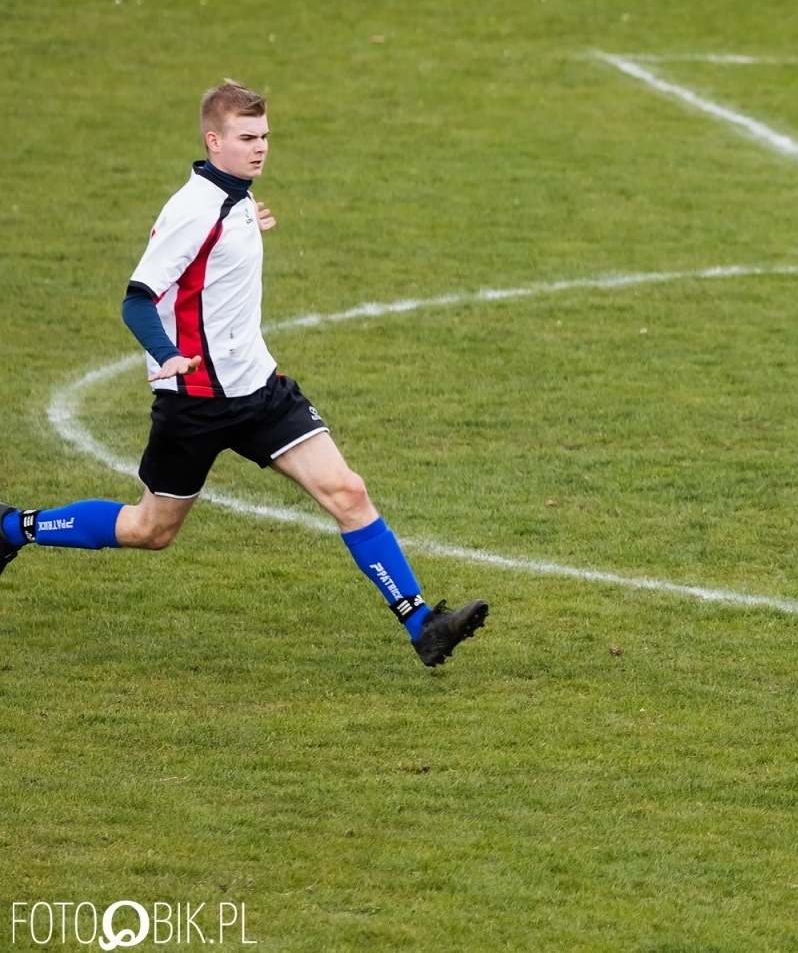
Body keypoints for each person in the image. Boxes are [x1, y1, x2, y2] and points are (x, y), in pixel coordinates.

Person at [0, 80, 488, 667]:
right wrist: (167, 353)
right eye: (247, 137)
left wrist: (246, 218)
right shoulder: (190, 211)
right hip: (196, 400)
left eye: (265, 137)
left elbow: (219, 250)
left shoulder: (233, 203)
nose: (260, 148)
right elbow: (137, 298)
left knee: (348, 491)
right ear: (214, 140)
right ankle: (12, 528)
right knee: (151, 529)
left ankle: (423, 626)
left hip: (260, 390)